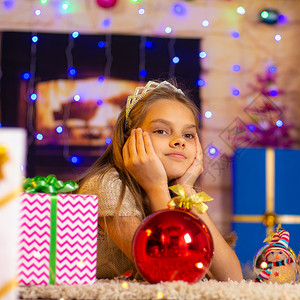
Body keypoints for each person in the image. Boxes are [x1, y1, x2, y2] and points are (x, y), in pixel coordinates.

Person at [77, 80, 243, 281]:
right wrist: (156, 187)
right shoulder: (107, 185)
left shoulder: (178, 190)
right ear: (130, 140)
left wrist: (187, 190)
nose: (179, 141)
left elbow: (232, 278)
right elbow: (172, 270)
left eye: (188, 135)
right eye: (161, 131)